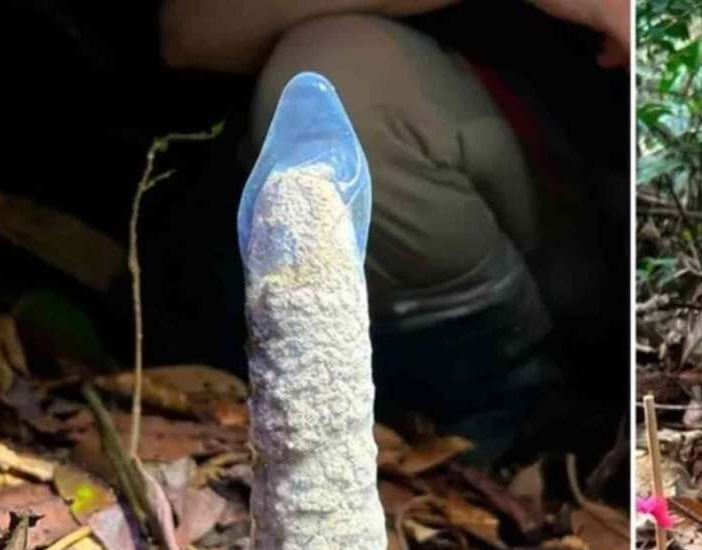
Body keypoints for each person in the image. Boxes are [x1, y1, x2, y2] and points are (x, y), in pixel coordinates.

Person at [159, 0, 630, 463]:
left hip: (595, 221)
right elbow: (188, 30)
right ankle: (501, 418)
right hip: (458, 211)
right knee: (337, 81)